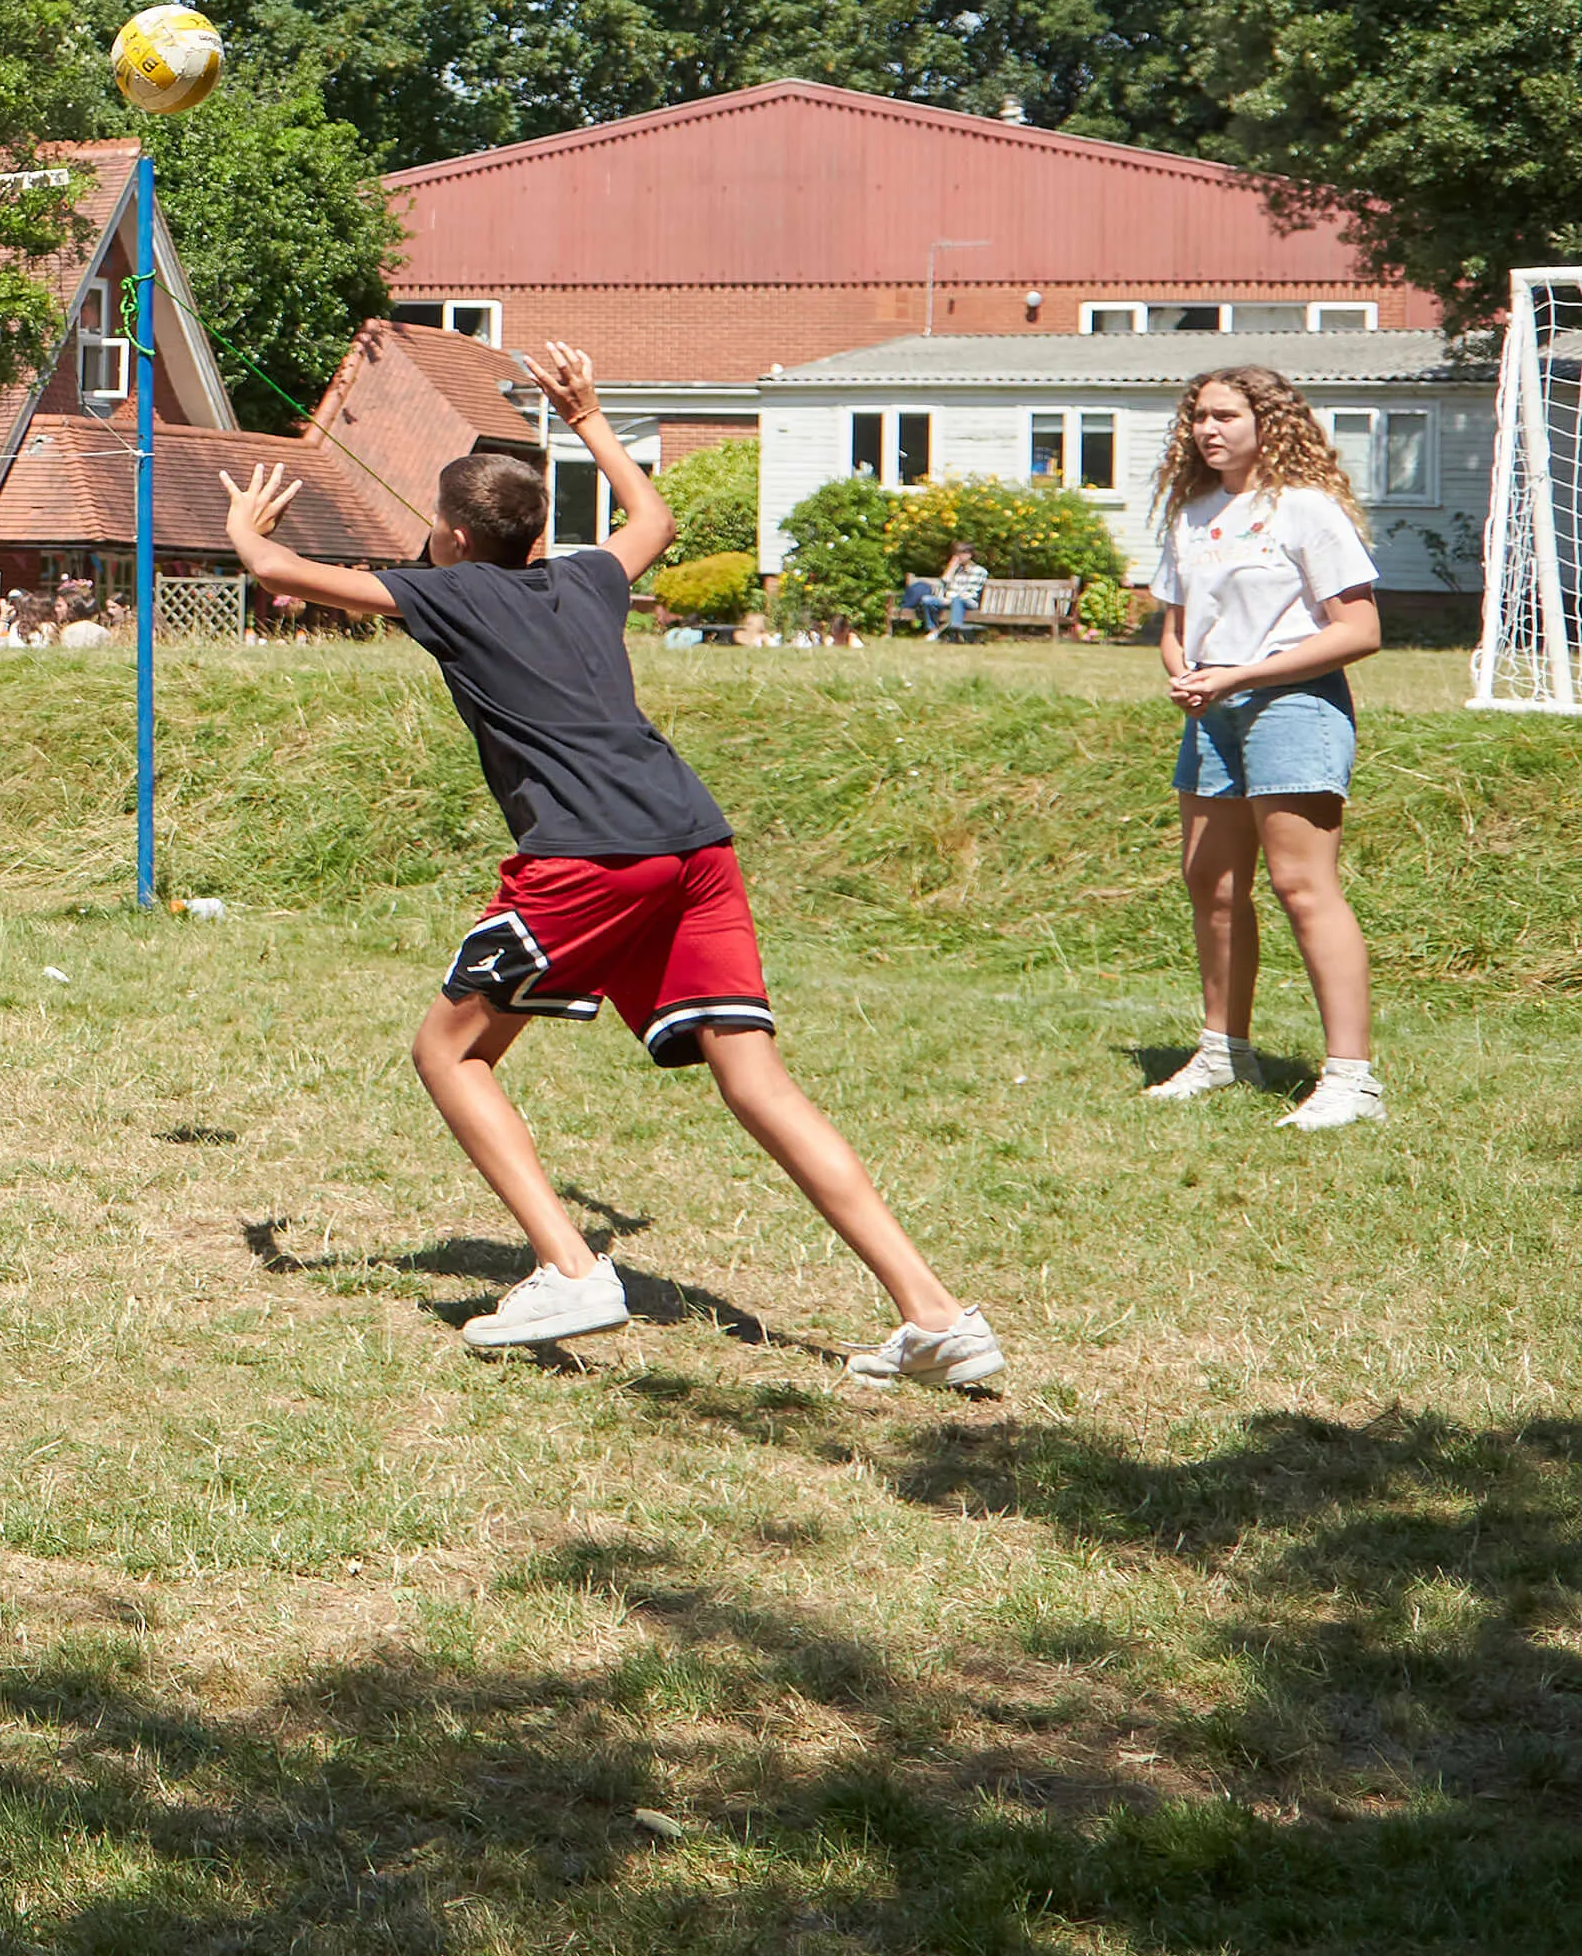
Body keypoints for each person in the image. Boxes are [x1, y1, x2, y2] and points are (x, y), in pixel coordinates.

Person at [222, 341, 1001, 1387]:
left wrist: (246, 530)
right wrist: (588, 417)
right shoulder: (587, 577)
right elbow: (656, 522)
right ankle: (933, 1311)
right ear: (535, 529)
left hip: (589, 858)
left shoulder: (446, 595)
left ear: (453, 535)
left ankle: (568, 1265)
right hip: (695, 844)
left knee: (449, 1052)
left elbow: (276, 573)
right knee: (756, 1078)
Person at [1142, 365, 1388, 1129]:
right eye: (1197, 417)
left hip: (1292, 704)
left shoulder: (1305, 509)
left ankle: (1351, 1079)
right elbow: (1175, 626)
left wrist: (1240, 674)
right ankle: (1223, 1052)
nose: (1206, 430)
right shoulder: (1190, 512)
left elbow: (1358, 629)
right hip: (1210, 709)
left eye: (1223, 415)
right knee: (1208, 883)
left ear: (1267, 422)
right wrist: (1185, 674)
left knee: (1300, 884)